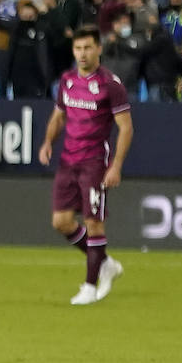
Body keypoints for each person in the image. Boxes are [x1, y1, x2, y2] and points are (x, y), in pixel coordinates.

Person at [39, 26, 133, 306]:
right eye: (78, 48)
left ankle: (90, 286)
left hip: (94, 162)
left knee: (94, 223)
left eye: (88, 48)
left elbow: (126, 128)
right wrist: (47, 142)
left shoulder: (110, 85)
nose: (83, 53)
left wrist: (115, 166)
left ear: (99, 49)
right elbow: (58, 117)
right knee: (61, 222)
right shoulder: (67, 80)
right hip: (68, 160)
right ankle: (105, 263)